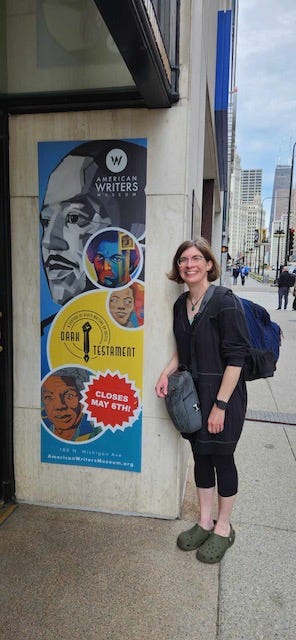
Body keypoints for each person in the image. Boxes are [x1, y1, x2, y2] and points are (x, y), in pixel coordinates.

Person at [155, 238, 250, 564]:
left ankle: (223, 527)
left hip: (222, 396)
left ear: (209, 264)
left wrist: (220, 406)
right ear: (178, 268)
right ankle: (204, 520)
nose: (189, 264)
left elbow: (236, 359)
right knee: (201, 458)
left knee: (222, 458)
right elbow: (183, 349)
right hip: (193, 397)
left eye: (196, 258)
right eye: (183, 259)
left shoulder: (225, 301)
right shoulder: (181, 305)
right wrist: (166, 374)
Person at [40, 140, 146, 307]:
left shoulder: (136, 320)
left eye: (73, 218)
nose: (49, 241)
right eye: (46, 221)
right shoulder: (46, 331)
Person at [41, 368, 101, 442]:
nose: (60, 406)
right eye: (49, 397)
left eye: (69, 396)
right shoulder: (44, 435)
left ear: (84, 399)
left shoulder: (95, 435)